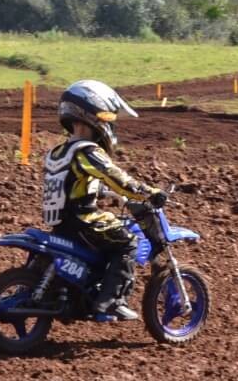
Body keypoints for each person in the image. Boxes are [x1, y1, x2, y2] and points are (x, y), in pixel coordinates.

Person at [43, 80, 165, 321]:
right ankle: (110, 302)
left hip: (62, 223)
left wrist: (98, 191)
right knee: (128, 242)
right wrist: (147, 192)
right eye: (109, 116)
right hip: (83, 219)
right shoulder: (88, 151)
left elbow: (72, 182)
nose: (110, 122)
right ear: (93, 113)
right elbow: (116, 178)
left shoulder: (59, 151)